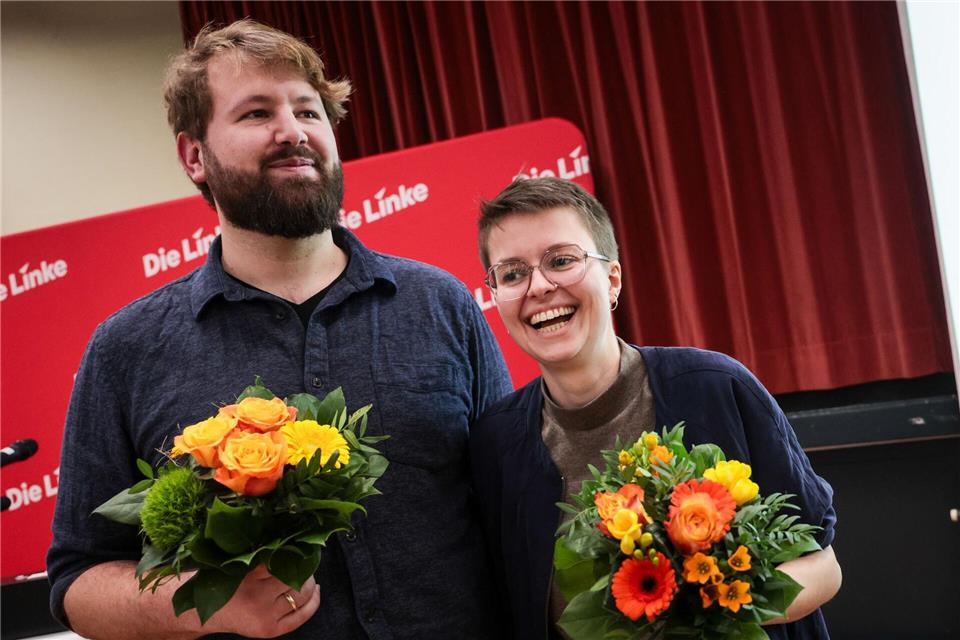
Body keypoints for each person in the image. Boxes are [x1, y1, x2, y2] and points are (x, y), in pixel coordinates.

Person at [46, 20, 512, 640]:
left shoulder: (442, 304)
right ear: (194, 157)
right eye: (257, 113)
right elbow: (78, 582)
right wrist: (207, 603)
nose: (293, 132)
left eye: (309, 111)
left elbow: (516, 510)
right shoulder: (126, 349)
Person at [469, 177, 842, 640]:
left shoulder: (715, 387)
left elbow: (822, 566)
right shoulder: (496, 444)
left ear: (612, 279)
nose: (539, 286)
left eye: (561, 260)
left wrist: (707, 610)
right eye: (512, 274)